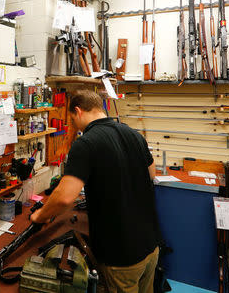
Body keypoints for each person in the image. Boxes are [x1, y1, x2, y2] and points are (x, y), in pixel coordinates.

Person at [30, 90, 161, 293]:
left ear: (78, 111)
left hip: (121, 256)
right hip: (151, 246)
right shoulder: (134, 135)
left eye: (72, 119)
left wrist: (40, 215)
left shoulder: (85, 143)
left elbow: (64, 198)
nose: (73, 125)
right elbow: (151, 174)